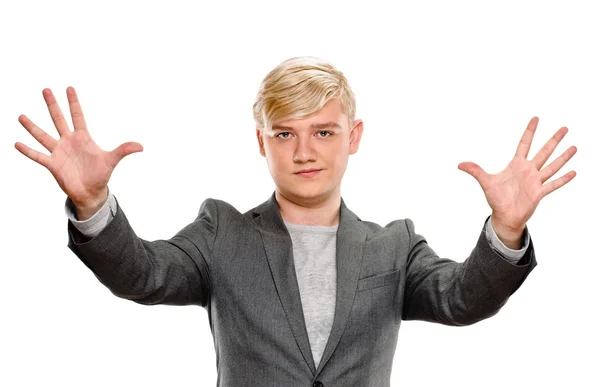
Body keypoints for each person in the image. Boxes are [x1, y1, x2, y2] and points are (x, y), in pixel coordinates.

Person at [14, 56, 577, 386]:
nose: (304, 151)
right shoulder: (221, 232)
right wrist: (92, 205)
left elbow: (463, 300)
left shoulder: (394, 246)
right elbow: (143, 274)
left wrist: (505, 231)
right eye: (285, 133)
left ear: (353, 138)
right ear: (261, 142)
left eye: (323, 132)